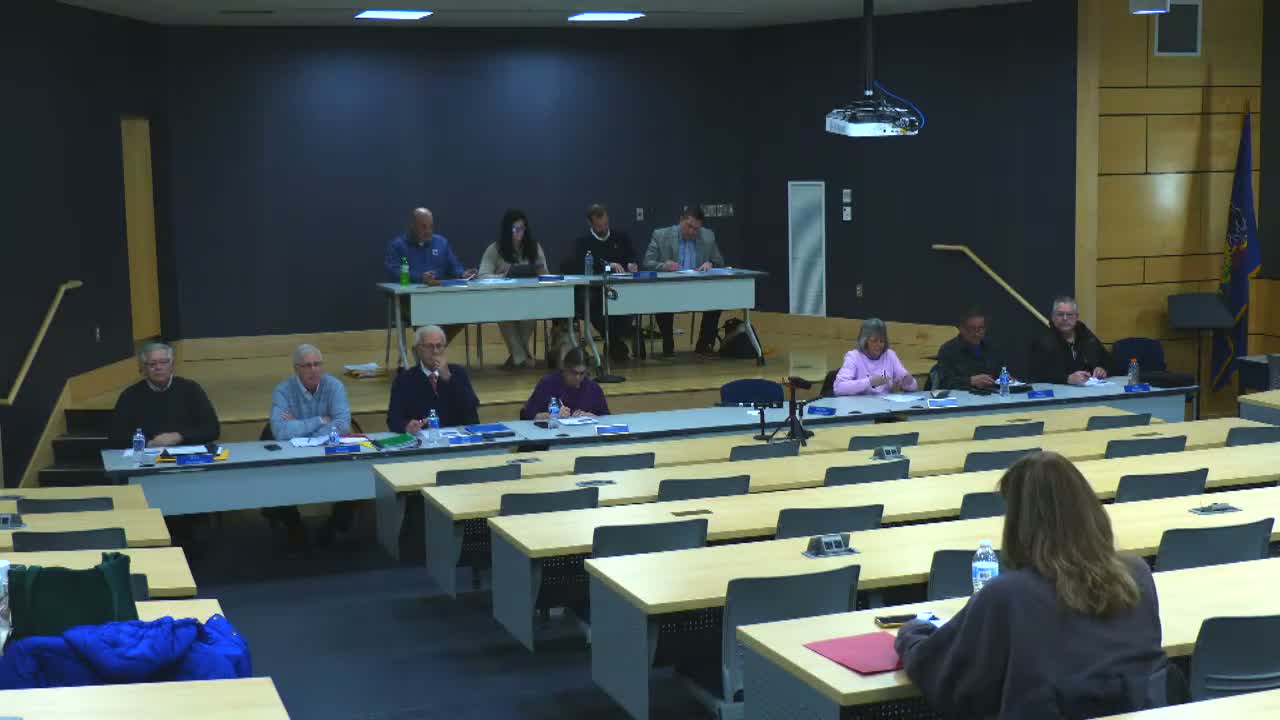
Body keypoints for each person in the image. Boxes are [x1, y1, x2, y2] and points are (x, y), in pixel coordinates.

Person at [895, 452, 1173, 717]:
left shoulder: (1008, 594)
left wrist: (911, 635)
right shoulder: (1135, 574)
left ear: (1019, 523)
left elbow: (949, 679)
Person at [266, 344, 353, 549]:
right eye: (307, 366)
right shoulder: (283, 391)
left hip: (328, 452)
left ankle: (334, 527)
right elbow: (280, 430)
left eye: (317, 364)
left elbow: (342, 424)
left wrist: (300, 428)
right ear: (296, 369)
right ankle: (295, 529)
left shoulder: (334, 387)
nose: (314, 370)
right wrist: (320, 420)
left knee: (355, 474)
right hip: (292, 456)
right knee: (275, 478)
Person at [383, 207, 476, 345]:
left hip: (440, 297)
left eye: (431, 226)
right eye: (423, 227)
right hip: (410, 300)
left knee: (465, 312)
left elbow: (454, 265)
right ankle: (430, 350)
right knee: (426, 318)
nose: (428, 231)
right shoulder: (398, 246)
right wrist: (419, 277)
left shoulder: (441, 243)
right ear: (412, 226)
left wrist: (463, 273)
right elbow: (393, 271)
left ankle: (432, 349)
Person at [642, 205, 725, 356]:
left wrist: (711, 264)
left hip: (698, 287)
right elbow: (647, 262)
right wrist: (663, 266)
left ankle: (704, 344)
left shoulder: (708, 236)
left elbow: (719, 262)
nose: (692, 231)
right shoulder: (661, 235)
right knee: (661, 298)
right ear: (681, 220)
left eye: (696, 229)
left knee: (716, 301)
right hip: (669, 287)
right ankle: (668, 343)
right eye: (689, 226)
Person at [110, 342, 220, 449]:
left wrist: (179, 436)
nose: (158, 367)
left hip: (186, 453)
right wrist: (149, 444)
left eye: (163, 362)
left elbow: (212, 430)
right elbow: (117, 436)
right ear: (143, 369)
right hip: (147, 454)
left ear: (172, 365)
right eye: (152, 364)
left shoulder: (191, 389)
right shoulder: (129, 396)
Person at [479, 209, 550, 369]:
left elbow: (545, 273)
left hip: (530, 298)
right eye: (515, 229)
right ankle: (522, 356)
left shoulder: (534, 247)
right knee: (503, 311)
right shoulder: (495, 249)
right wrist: (500, 277)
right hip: (503, 300)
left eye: (522, 228)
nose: (520, 233)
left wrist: (539, 271)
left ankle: (517, 357)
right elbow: (482, 275)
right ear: (507, 230)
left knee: (532, 310)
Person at [571, 204, 640, 362]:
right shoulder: (583, 242)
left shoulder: (621, 237)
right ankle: (615, 342)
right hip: (594, 288)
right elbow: (583, 265)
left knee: (631, 302)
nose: (603, 228)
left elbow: (632, 256)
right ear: (590, 224)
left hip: (620, 286)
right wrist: (608, 266)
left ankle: (613, 342)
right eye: (599, 226)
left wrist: (632, 264)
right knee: (591, 303)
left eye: (605, 224)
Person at [387, 324, 480, 433]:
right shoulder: (404, 379)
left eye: (439, 346)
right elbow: (393, 419)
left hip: (456, 436)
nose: (435, 351)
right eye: (429, 346)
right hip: (422, 437)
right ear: (417, 350)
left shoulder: (457, 372)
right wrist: (406, 426)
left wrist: (449, 379)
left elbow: (472, 409)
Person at [1028, 296, 1111, 385]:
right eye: (1060, 314)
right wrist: (1067, 379)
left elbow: (1110, 363)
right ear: (1053, 317)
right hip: (1059, 391)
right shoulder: (1042, 341)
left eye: (1070, 314)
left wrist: (1102, 370)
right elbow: (1036, 375)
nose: (1065, 318)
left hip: (1090, 389)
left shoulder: (1087, 336)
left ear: (1077, 317)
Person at [832, 318, 918, 396]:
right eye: (874, 341)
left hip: (885, 405)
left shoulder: (890, 355)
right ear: (864, 341)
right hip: (860, 406)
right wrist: (870, 382)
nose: (879, 345)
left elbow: (913, 386)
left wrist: (908, 382)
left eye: (882, 341)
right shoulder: (854, 356)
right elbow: (839, 388)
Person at [519, 348, 610, 420]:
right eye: (574, 372)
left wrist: (592, 417)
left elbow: (607, 419)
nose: (578, 377)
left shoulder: (593, 388)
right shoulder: (548, 384)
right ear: (565, 368)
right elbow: (526, 415)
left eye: (582, 373)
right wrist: (551, 416)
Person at [934, 306, 1008, 390]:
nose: (976, 333)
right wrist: (970, 381)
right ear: (961, 329)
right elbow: (943, 383)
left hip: (991, 395)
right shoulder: (948, 350)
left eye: (980, 328)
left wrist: (1006, 379)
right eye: (972, 329)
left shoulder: (992, 348)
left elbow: (1001, 374)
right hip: (961, 396)